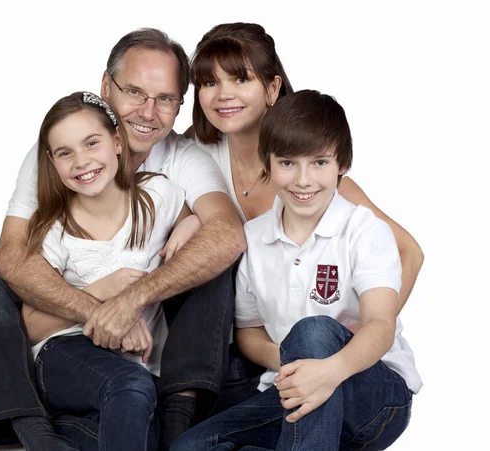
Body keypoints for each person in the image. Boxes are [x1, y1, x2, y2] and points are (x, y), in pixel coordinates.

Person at [0, 28, 245, 449]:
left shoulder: (172, 173)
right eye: (135, 92)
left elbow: (227, 234)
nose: (148, 111)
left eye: (165, 99)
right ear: (106, 87)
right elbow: (12, 259)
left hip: (138, 358)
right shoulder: (61, 156)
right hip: (69, 343)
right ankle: (23, 419)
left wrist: (191, 225)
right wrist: (106, 308)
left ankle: (177, 411)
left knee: (208, 264)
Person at [172, 89, 422, 451]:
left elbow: (381, 325)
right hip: (290, 388)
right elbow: (249, 332)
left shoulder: (364, 230)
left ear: (342, 165)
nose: (303, 180)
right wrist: (294, 363)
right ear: (268, 164)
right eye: (288, 163)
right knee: (191, 447)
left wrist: (327, 369)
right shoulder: (254, 238)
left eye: (319, 163)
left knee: (315, 332)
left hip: (374, 396)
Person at [188, 23, 423, 313]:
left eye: (240, 79)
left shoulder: (315, 179)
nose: (223, 94)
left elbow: (409, 251)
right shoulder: (196, 151)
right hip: (242, 334)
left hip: (310, 338)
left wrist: (366, 337)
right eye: (210, 82)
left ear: (272, 88)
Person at [21, 90, 202, 450]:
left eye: (92, 143)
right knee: (131, 385)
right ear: (51, 162)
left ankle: (61, 432)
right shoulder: (53, 228)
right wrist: (104, 292)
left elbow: (199, 225)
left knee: (139, 425)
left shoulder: (157, 197)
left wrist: (189, 225)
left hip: (138, 370)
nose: (81, 161)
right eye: (65, 153)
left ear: (117, 141)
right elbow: (31, 325)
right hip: (64, 354)